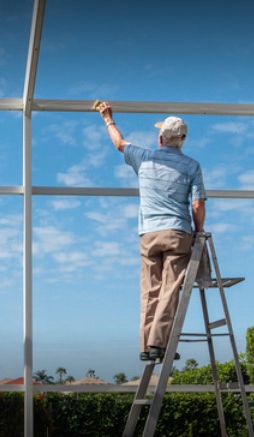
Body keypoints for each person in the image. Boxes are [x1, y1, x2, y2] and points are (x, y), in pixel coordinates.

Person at [96, 101, 206, 362]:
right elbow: (197, 204)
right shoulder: (192, 166)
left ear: (160, 138)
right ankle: (159, 343)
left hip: (148, 234)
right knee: (170, 289)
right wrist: (198, 231)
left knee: (150, 290)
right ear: (182, 140)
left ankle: (146, 346)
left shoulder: (145, 157)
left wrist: (108, 118)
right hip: (178, 232)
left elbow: (119, 143)